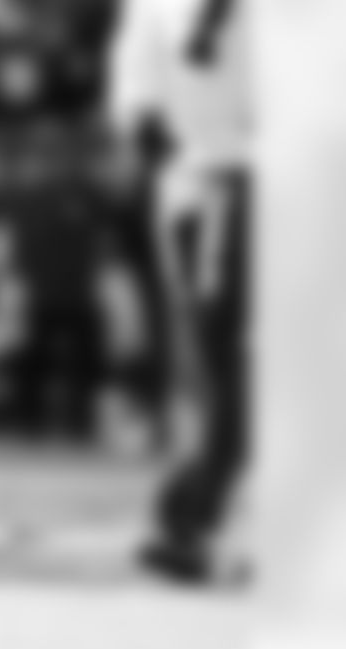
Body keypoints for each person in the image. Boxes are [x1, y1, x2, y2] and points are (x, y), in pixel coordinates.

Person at [108, 0, 253, 583]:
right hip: (215, 187)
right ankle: (196, 518)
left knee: (242, 360)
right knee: (229, 360)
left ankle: (195, 518)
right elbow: (139, 108)